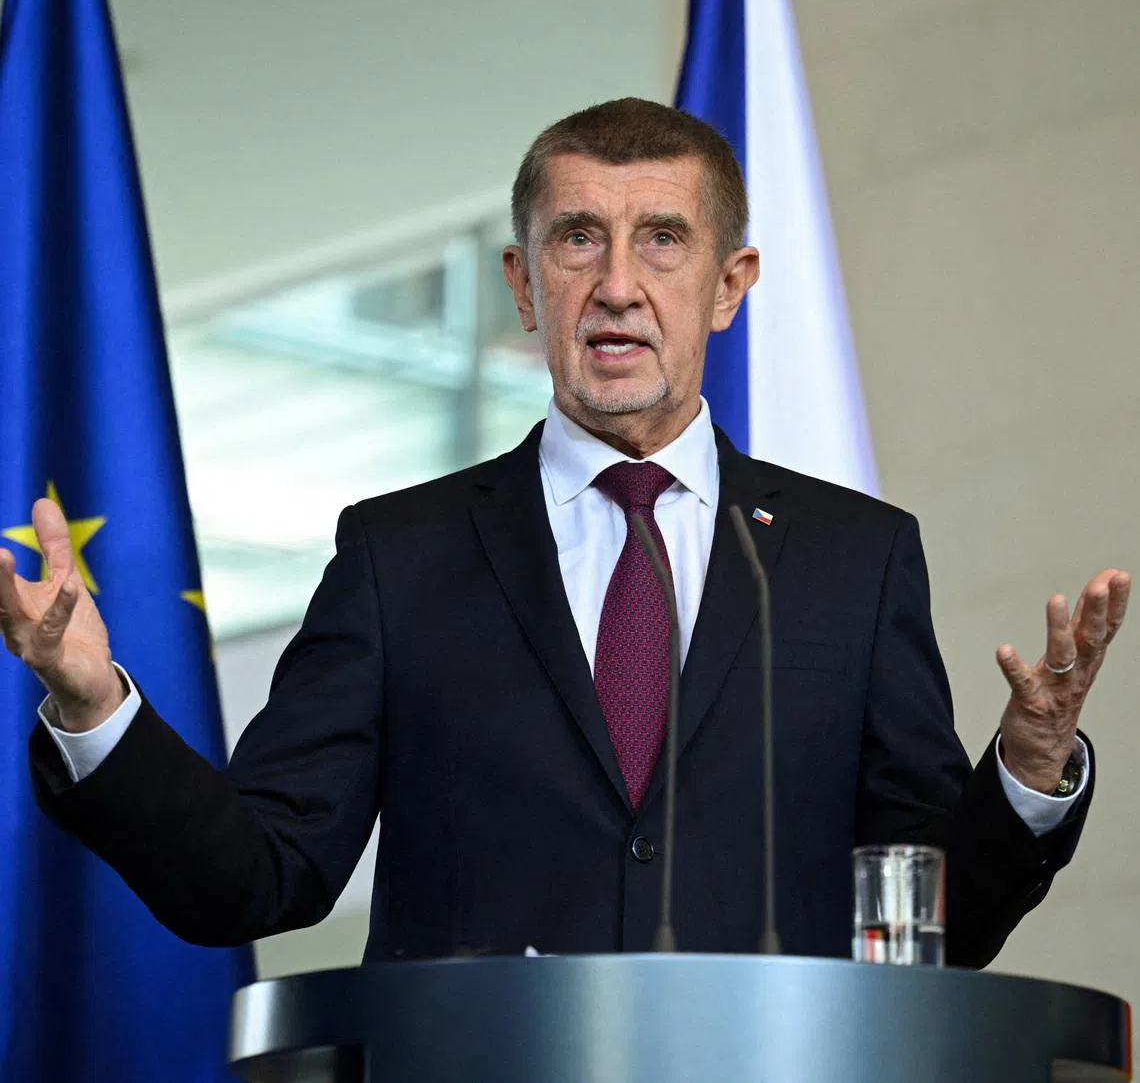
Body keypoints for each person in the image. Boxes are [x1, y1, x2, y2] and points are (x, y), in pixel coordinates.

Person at [0, 99, 1130, 966]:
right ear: (524, 284)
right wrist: (97, 707)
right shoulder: (401, 557)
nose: (619, 285)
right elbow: (257, 879)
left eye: (664, 241)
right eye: (579, 239)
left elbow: (926, 923)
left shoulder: (853, 556)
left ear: (731, 284)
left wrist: (1028, 772)